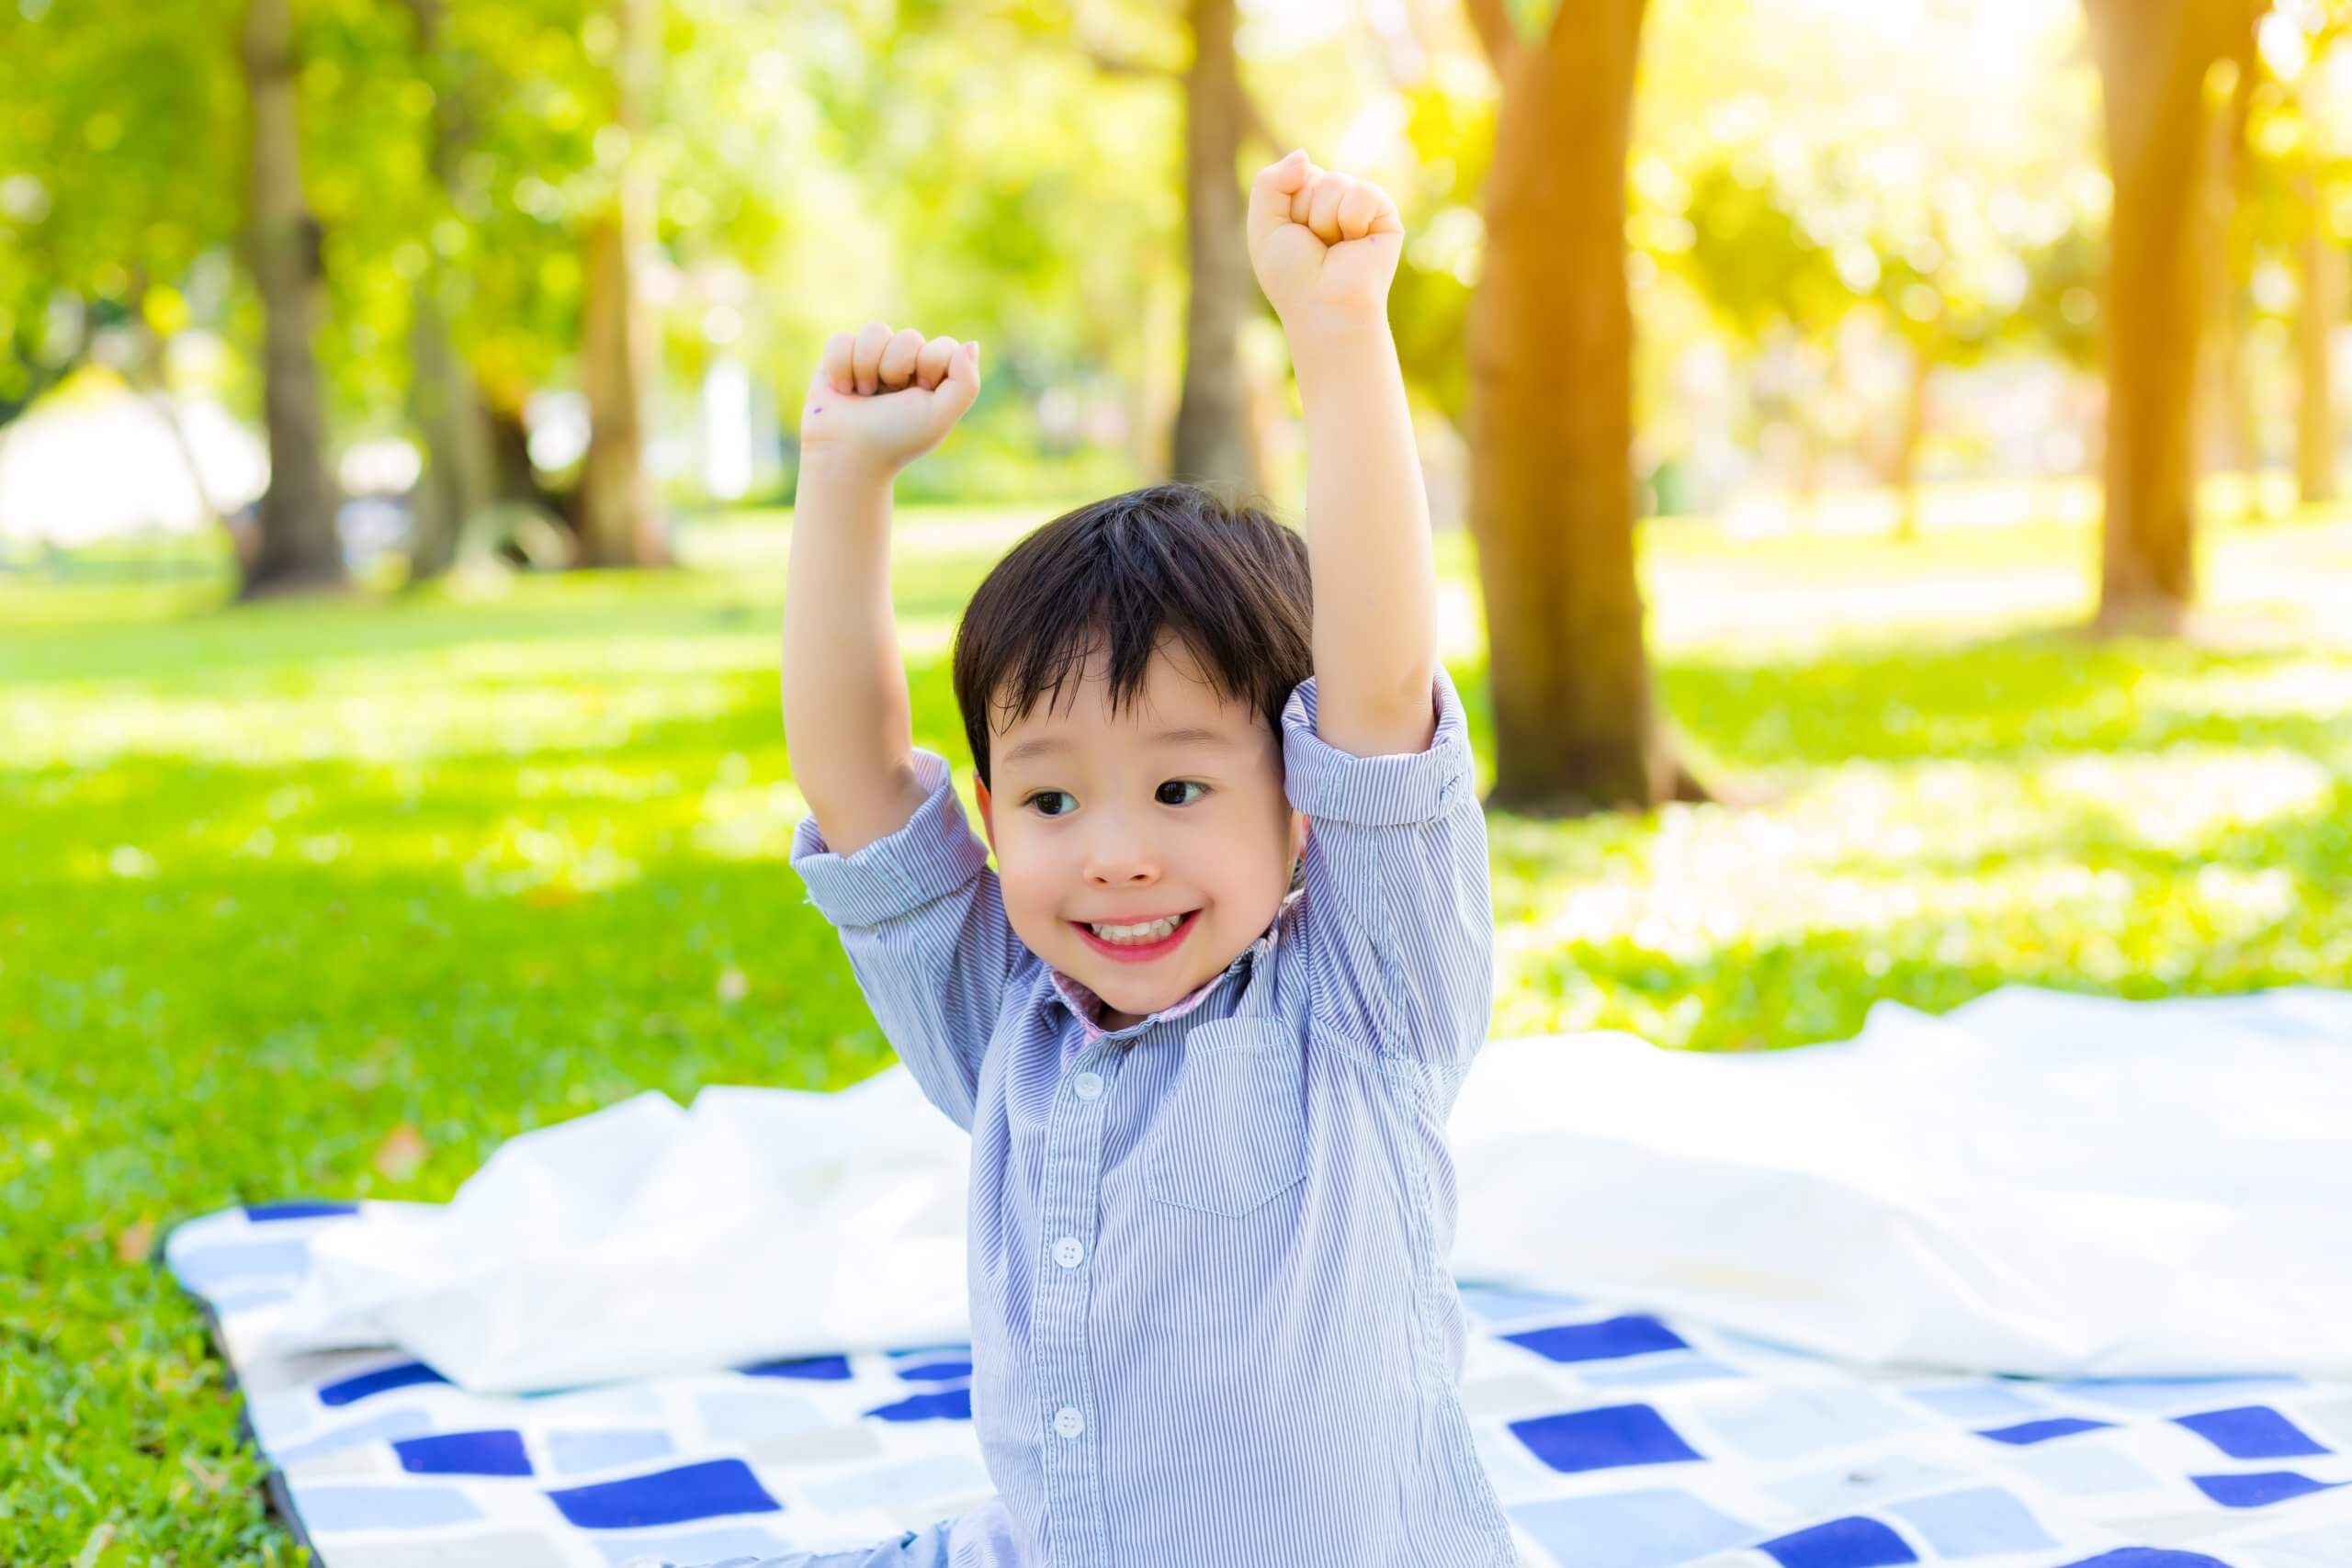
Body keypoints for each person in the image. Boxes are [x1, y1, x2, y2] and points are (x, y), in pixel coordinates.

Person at [757, 151, 1513, 1568]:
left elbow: (1378, 669)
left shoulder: (1364, 1003)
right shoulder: (1002, 1022)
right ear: (990, 818)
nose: (1114, 858)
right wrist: (842, 475)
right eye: (1050, 805)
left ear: (1301, 797)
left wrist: (1338, 334)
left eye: (1178, 787)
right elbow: (852, 781)